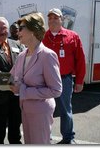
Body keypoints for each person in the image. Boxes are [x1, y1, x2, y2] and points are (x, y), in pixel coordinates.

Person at [10, 13, 62, 144]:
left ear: (33, 30)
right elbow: (9, 78)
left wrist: (24, 91)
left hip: (41, 112)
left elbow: (56, 90)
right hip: (25, 109)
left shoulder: (48, 55)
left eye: (21, 27)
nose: (17, 30)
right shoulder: (22, 55)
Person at [42, 8, 86, 144]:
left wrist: (79, 81)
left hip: (64, 79)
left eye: (56, 18)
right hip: (44, 79)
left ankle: (68, 138)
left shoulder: (73, 36)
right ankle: (44, 137)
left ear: (62, 20)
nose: (52, 20)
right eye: (50, 18)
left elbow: (80, 60)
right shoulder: (42, 37)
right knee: (44, 109)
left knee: (66, 110)